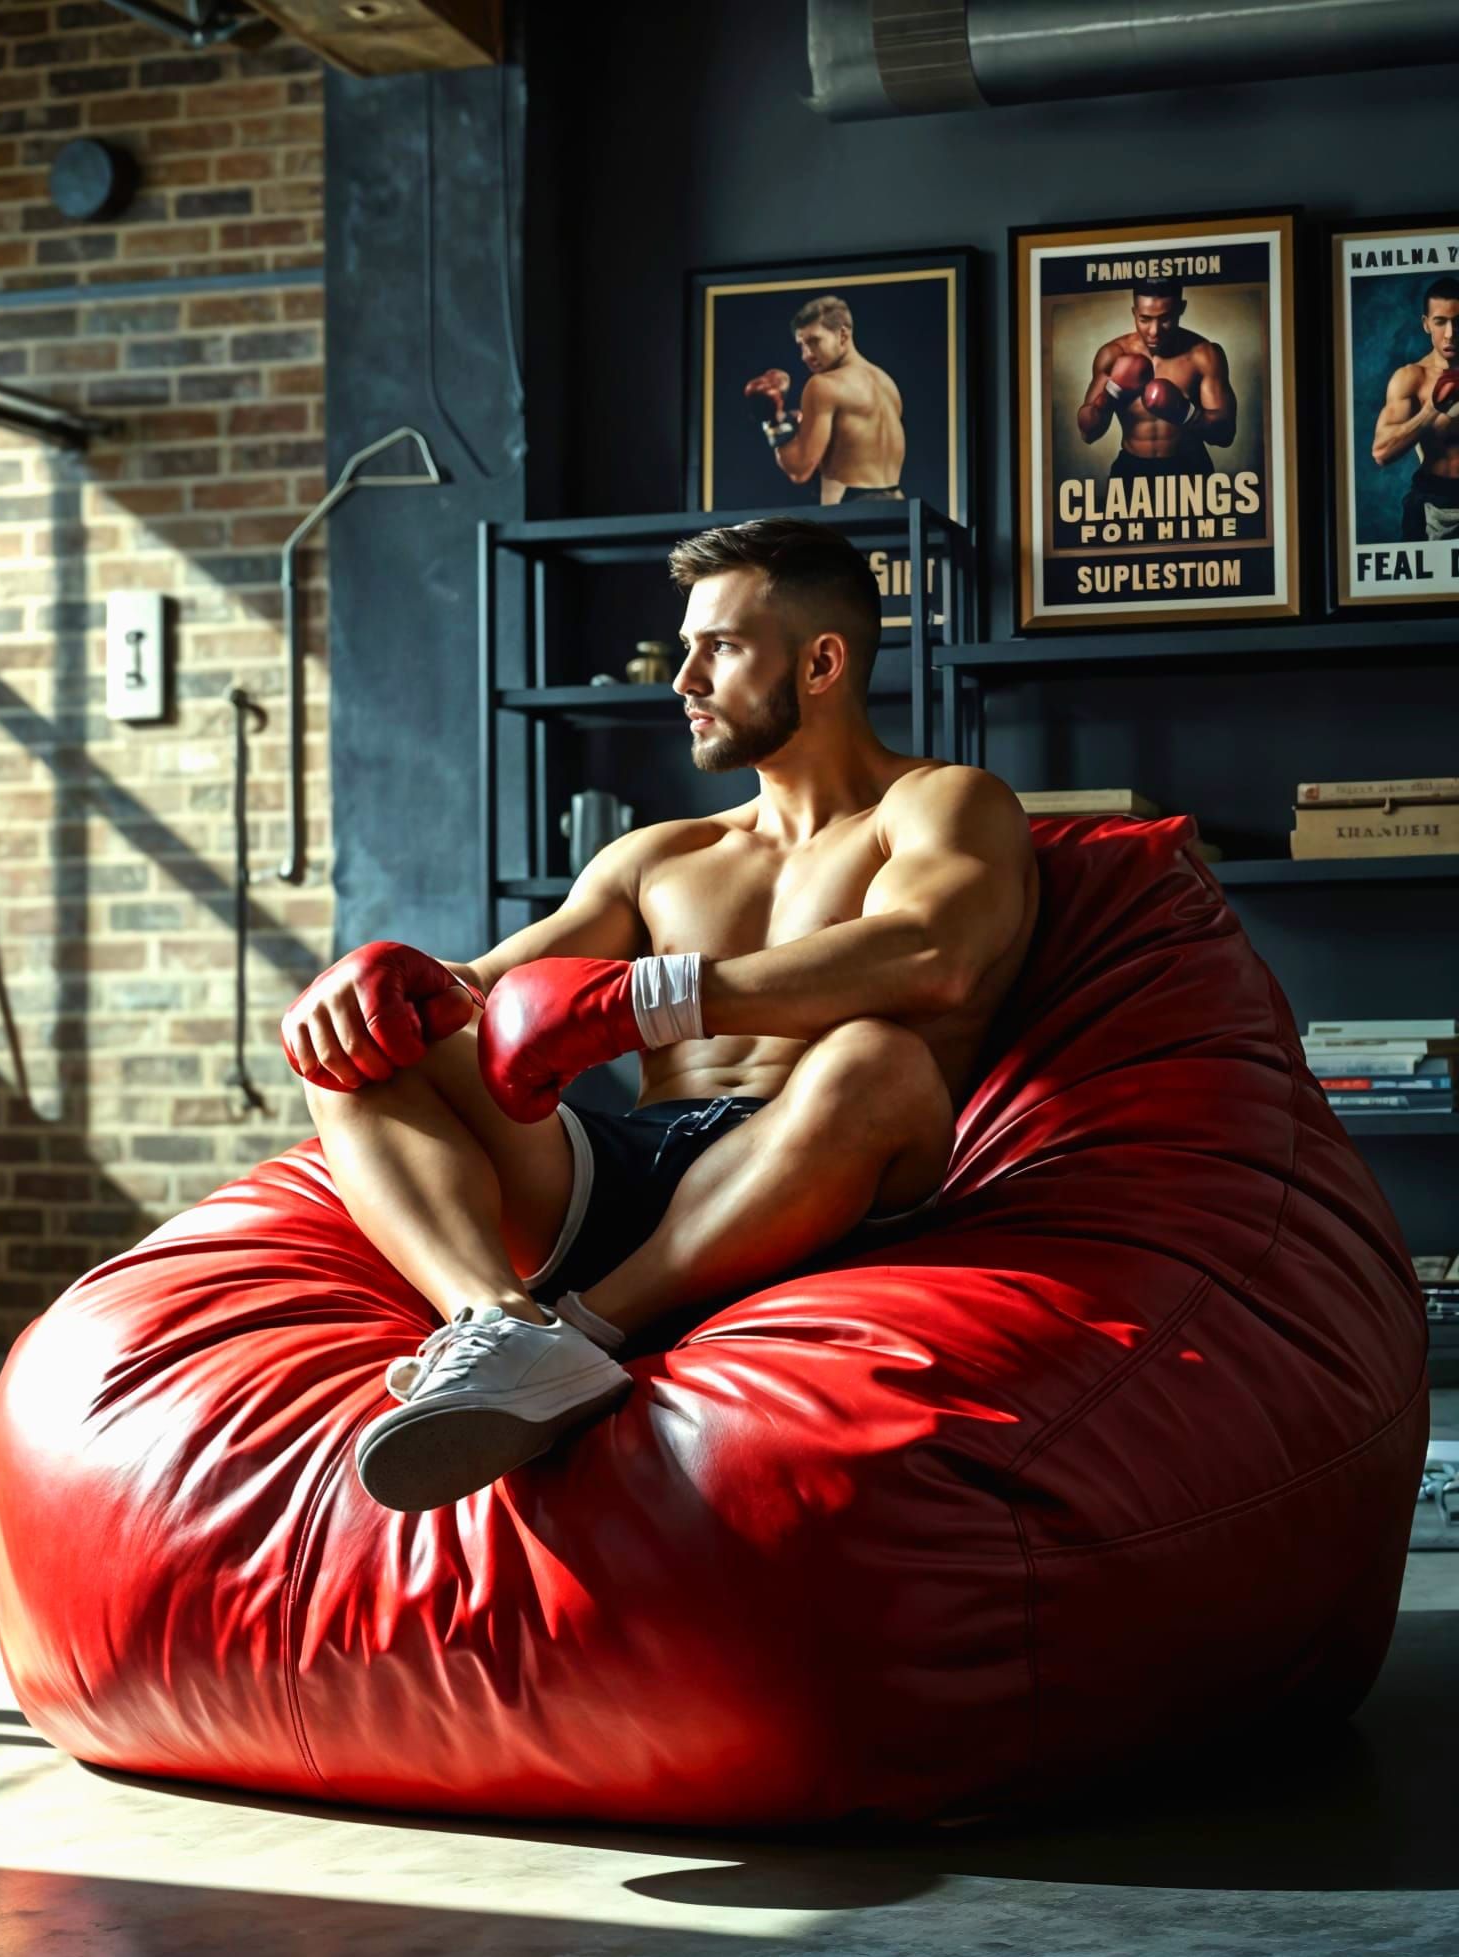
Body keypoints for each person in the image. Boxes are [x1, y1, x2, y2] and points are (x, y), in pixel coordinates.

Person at [284, 519, 1039, 1514]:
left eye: (719, 648)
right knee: (367, 1051)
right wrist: (388, 983)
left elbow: (932, 951)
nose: (683, 678)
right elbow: (488, 985)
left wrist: (651, 997)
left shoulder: (943, 803)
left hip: (818, 1184)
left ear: (821, 661)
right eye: (686, 648)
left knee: (880, 1056)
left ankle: (585, 1334)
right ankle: (498, 1322)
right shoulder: (661, 853)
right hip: (623, 1169)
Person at [743, 294, 906, 503]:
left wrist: (773, 423)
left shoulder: (822, 385)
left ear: (843, 336)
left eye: (814, 342)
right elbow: (850, 452)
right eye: (802, 345)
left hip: (855, 510)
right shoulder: (886, 383)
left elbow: (800, 469)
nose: (806, 355)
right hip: (898, 507)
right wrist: (794, 426)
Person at [1076, 287, 1238, 485]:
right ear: (1134, 312)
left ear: (1181, 308)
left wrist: (1185, 413)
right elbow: (1088, 433)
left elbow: (1225, 435)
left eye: (1165, 319)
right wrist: (1111, 393)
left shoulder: (1204, 355)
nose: (1154, 331)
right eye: (1144, 319)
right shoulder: (1113, 355)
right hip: (1132, 470)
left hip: (1190, 468)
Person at [1370, 272, 1459, 541]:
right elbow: (1381, 453)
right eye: (1440, 322)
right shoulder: (1412, 378)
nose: (1450, 334)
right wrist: (1432, 409)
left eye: (1458, 322)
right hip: (1432, 503)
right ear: (1426, 324)